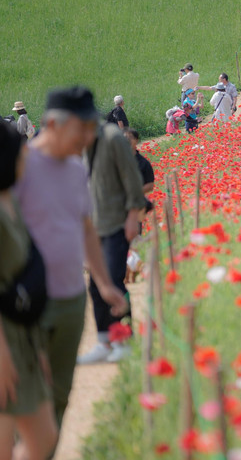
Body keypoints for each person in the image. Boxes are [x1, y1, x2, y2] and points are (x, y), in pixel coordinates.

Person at [15, 87, 128, 433]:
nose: (89, 136)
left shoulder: (77, 169)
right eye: (83, 128)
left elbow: (85, 229)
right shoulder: (18, 169)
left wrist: (105, 284)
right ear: (53, 124)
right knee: (25, 403)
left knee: (59, 398)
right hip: (27, 305)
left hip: (70, 301)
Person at [0, 122, 59, 460]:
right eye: (20, 149)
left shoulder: (11, 199)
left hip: (23, 332)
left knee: (43, 436)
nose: (27, 154)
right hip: (3, 337)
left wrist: (36, 349)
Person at [76, 107, 147, 366]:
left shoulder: (112, 138)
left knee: (115, 281)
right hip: (95, 225)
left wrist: (132, 217)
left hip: (117, 222)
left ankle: (124, 339)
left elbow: (132, 179)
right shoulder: (84, 143)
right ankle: (105, 340)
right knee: (96, 285)